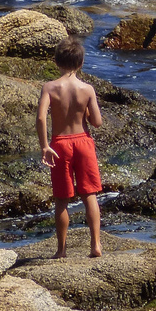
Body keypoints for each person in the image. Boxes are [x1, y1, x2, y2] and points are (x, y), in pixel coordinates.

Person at [37, 37, 104, 259]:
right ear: (81, 63)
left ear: (56, 62)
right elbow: (97, 122)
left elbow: (40, 118)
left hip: (60, 144)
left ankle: (61, 250)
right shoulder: (87, 89)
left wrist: (45, 145)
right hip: (83, 142)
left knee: (62, 199)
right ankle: (95, 245)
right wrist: (84, 112)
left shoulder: (50, 87)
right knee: (89, 195)